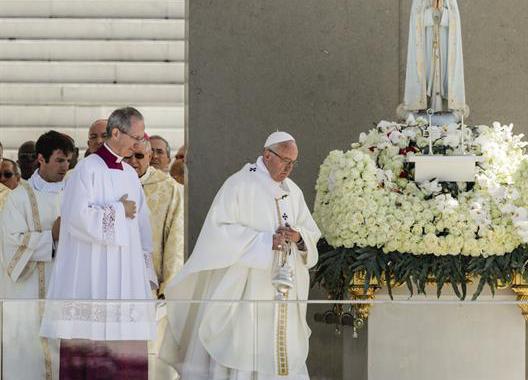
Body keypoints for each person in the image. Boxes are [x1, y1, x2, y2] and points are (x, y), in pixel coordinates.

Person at [162, 131, 320, 380]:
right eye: (285, 161)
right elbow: (219, 231)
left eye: (293, 163)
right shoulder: (239, 185)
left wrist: (299, 238)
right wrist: (264, 241)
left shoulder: (293, 191)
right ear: (267, 155)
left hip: (284, 290)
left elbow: (311, 232)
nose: (289, 168)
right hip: (246, 290)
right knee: (243, 348)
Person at [40, 107, 157, 380]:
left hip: (126, 282)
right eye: (135, 138)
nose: (138, 145)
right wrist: (118, 211)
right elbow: (76, 219)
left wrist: (145, 272)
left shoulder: (129, 173)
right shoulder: (86, 170)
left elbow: (142, 226)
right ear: (115, 133)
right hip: (92, 280)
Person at [1, 131, 75, 380]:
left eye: (68, 161)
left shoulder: (76, 195)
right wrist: (50, 237)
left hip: (68, 293)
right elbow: (11, 246)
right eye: (60, 160)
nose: (65, 167)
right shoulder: (19, 198)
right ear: (41, 159)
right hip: (29, 297)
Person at [123, 139, 184, 296]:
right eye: (127, 156)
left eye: (139, 156)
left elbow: (176, 239)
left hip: (150, 282)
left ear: (149, 156)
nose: (133, 161)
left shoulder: (169, 188)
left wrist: (168, 288)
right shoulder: (110, 181)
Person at [400, 0, 468, 121]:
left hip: (444, 41)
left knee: (442, 71)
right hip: (426, 41)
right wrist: (431, 13)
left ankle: (443, 105)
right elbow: (417, 20)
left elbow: (454, 21)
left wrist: (441, 11)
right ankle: (422, 104)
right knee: (426, 71)